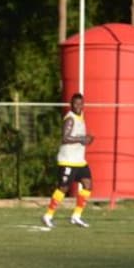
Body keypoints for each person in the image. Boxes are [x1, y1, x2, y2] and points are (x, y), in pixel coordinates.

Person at [42, 92, 94, 229]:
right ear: (71, 104)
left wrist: (87, 139)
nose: (78, 106)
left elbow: (78, 137)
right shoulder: (70, 119)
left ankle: (76, 216)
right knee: (63, 188)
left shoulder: (80, 116)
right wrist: (82, 139)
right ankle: (48, 215)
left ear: (83, 104)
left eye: (80, 103)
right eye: (75, 103)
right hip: (68, 160)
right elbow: (65, 138)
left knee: (88, 185)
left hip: (79, 161)